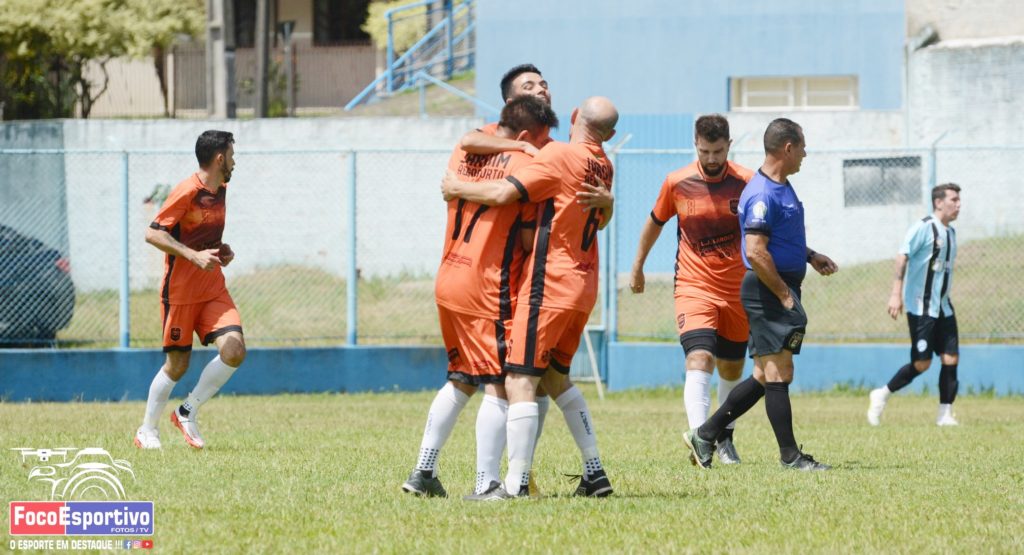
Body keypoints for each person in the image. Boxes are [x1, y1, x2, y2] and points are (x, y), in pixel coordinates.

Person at [442, 96, 618, 500]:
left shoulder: (559, 155)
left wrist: (457, 187)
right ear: (608, 136)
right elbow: (599, 218)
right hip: (584, 284)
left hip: (549, 284)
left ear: (573, 117)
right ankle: (595, 473)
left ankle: (515, 485)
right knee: (555, 379)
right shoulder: (604, 164)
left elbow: (504, 193)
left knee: (518, 379)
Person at [401, 96, 559, 498]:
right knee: (501, 384)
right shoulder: (524, 163)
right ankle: (486, 482)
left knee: (461, 377)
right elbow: (528, 238)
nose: (542, 148)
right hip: (488, 285)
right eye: (540, 140)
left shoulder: (463, 151)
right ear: (526, 135)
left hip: (449, 276)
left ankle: (423, 471)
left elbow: (470, 141)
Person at [683, 118, 839, 471]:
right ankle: (790, 457)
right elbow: (755, 251)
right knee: (779, 372)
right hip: (767, 290)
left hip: (778, 286)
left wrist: (810, 256)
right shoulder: (762, 193)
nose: (805, 154)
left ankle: (705, 434)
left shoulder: (781, 187)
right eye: (802, 147)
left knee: (764, 375)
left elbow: (779, 239)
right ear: (788, 148)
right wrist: (783, 295)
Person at [629, 114, 753, 465]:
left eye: (718, 151)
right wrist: (638, 266)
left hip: (737, 291)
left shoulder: (747, 182)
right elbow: (654, 223)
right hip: (693, 286)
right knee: (700, 358)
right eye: (704, 151)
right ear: (695, 145)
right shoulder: (677, 182)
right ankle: (703, 443)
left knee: (732, 369)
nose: (711, 159)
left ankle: (724, 436)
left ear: (729, 146)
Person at [134, 130, 246, 450]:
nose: (235, 161)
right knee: (178, 365)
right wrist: (193, 256)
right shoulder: (186, 191)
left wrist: (220, 249)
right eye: (232, 155)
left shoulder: (221, 189)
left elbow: (201, 236)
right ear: (220, 159)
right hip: (180, 293)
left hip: (212, 288)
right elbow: (153, 234)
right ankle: (147, 430)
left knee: (234, 351)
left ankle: (187, 411)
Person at [867, 183, 962, 427]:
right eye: (953, 200)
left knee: (951, 357)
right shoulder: (924, 227)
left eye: (959, 200)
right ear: (938, 202)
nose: (958, 204)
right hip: (921, 308)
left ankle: (945, 414)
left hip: (944, 308)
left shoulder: (951, 233)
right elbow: (903, 256)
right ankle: (881, 394)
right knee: (922, 363)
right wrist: (895, 294)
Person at [460, 64, 553, 156]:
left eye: (544, 85)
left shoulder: (551, 148)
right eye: (528, 87)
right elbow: (468, 140)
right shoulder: (494, 132)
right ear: (511, 103)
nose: (541, 89)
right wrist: (523, 146)